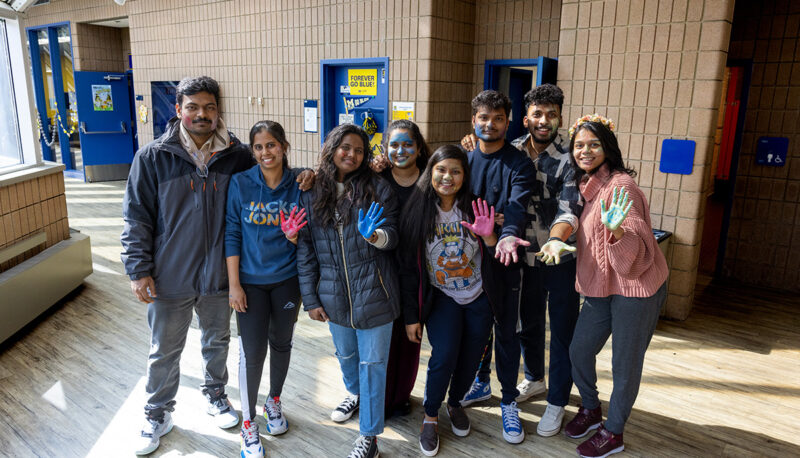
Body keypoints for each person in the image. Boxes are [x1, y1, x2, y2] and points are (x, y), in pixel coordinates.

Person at [121, 76, 254, 456]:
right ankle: (157, 412)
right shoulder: (153, 157)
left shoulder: (237, 156)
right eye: (192, 107)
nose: (201, 114)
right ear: (177, 110)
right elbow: (135, 218)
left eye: (209, 107)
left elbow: (271, 182)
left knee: (217, 341)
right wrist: (137, 269)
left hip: (218, 274)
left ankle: (215, 396)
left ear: (218, 111)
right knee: (164, 349)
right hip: (169, 275)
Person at [461, 84, 582, 437]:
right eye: (538, 114)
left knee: (561, 332)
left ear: (560, 117)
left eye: (552, 115)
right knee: (527, 325)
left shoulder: (569, 157)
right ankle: (533, 379)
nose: (544, 121)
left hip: (557, 256)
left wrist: (556, 239)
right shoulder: (511, 149)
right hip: (519, 258)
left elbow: (569, 208)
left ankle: (557, 402)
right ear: (525, 118)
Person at [563, 114, 669, 458]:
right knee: (579, 350)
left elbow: (639, 249)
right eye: (579, 145)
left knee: (625, 364)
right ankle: (592, 409)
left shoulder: (621, 186)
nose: (585, 151)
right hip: (601, 287)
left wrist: (619, 232)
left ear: (607, 148)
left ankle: (614, 432)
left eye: (593, 144)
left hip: (636, 288)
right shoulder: (586, 187)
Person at [296, 124, 400, 458]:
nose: (351, 154)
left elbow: (393, 234)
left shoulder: (379, 188)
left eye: (358, 149)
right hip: (333, 295)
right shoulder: (312, 191)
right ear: (331, 148)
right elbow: (306, 249)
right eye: (345, 147)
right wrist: (310, 299)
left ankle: (369, 437)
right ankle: (354, 394)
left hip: (376, 294)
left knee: (373, 364)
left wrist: (376, 236)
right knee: (347, 357)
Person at [399, 145, 503, 456]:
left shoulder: (476, 207)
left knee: (471, 358)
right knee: (444, 355)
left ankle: (456, 402)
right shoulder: (417, 211)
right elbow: (408, 270)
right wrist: (411, 316)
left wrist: (489, 236)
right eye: (442, 170)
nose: (448, 177)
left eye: (456, 171)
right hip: (442, 297)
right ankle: (431, 416)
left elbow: (496, 257)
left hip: (478, 297)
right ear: (430, 172)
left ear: (464, 176)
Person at [225, 120, 310, 457]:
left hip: (287, 280)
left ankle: (273, 402)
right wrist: (234, 285)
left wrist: (295, 237)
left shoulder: (300, 185)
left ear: (284, 146)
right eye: (258, 147)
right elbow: (232, 232)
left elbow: (309, 235)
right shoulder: (241, 183)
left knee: (282, 343)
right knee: (252, 351)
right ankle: (248, 422)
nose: (265, 153)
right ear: (252, 151)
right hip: (249, 282)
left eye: (271, 145)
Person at [459, 89, 535, 444]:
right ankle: (480, 381)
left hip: (504, 258)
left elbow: (516, 207)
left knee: (506, 332)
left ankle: (508, 401)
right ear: (473, 120)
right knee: (476, 329)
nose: (490, 124)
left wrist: (506, 234)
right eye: (484, 118)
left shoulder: (519, 163)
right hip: (464, 260)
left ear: (508, 121)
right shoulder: (462, 158)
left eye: (498, 118)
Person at [377, 119, 432, 419]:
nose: (401, 150)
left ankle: (400, 398)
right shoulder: (376, 179)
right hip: (382, 272)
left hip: (418, 275)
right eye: (394, 145)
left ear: (419, 147)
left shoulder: (431, 181)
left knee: (409, 340)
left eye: (407, 144)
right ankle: (378, 400)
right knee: (383, 343)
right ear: (385, 150)